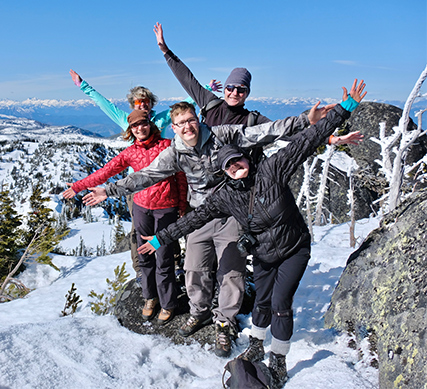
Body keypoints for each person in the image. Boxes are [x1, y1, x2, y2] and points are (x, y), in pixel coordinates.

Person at [81, 85, 362, 357]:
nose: (187, 126)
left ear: (197, 119)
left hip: (230, 212)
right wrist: (109, 190)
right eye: (181, 123)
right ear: (174, 128)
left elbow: (262, 133)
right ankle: (199, 313)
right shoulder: (175, 153)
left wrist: (303, 120)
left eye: (191, 120)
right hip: (200, 215)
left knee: (231, 271)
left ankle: (224, 322)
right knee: (193, 269)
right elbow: (147, 175)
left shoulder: (221, 135)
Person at [69, 69, 221, 280]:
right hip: (136, 186)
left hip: (163, 182)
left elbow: (182, 109)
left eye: (147, 103)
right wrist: (83, 85)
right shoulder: (126, 119)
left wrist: (205, 90)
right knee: (138, 230)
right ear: (133, 106)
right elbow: (104, 104)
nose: (143, 106)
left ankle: (173, 262)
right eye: (139, 103)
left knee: (170, 226)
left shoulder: (159, 120)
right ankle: (141, 269)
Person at [62, 110, 188, 325]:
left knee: (164, 256)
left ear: (150, 124)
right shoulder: (130, 153)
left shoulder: (168, 146)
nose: (140, 128)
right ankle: (150, 298)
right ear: (130, 130)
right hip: (141, 208)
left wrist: (182, 205)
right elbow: (105, 172)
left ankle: (168, 303)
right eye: (135, 125)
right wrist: (78, 186)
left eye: (144, 123)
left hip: (165, 207)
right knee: (144, 256)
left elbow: (181, 177)